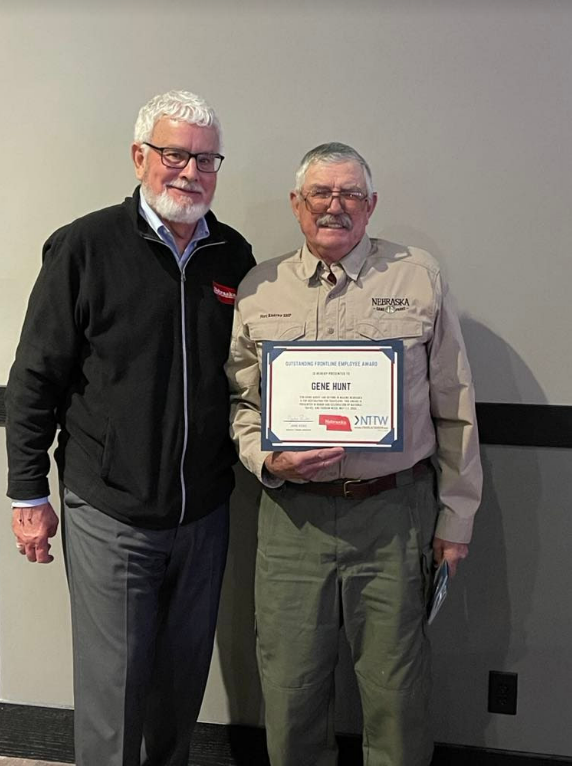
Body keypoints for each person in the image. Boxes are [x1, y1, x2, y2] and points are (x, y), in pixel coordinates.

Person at [6, 90, 255, 766]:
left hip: (203, 512)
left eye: (206, 159)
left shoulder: (232, 254)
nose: (190, 171)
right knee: (114, 696)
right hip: (109, 509)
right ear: (140, 155)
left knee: (180, 687)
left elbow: (249, 376)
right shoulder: (85, 247)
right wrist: (28, 493)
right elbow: (35, 377)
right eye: (175, 154)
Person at [225, 142, 482, 766]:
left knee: (397, 690)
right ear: (297, 203)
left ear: (370, 206)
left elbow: (456, 403)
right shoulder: (260, 287)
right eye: (321, 193)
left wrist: (457, 519)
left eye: (350, 195)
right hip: (292, 523)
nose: (334, 207)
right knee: (289, 689)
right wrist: (268, 460)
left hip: (393, 515)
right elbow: (239, 403)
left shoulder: (417, 277)